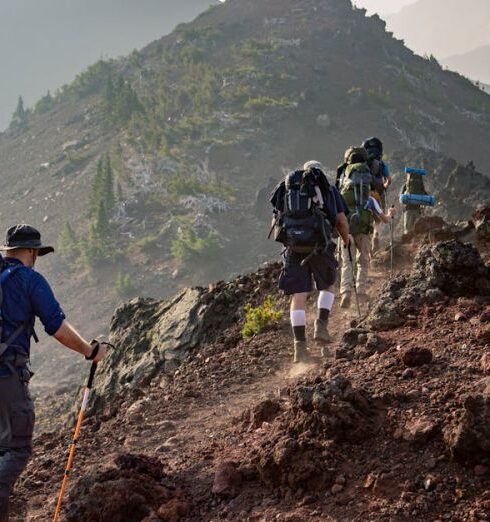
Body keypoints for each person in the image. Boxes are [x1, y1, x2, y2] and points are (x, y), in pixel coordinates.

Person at [0, 224, 107, 521]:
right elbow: (57, 328)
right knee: (17, 450)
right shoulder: (29, 280)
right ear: (33, 252)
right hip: (7, 377)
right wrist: (91, 351)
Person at [271, 161, 350, 363]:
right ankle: (321, 326)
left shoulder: (287, 189)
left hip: (294, 248)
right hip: (320, 245)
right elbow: (341, 220)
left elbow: (276, 219)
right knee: (328, 286)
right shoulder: (328, 190)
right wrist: (346, 240)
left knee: (298, 296)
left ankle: (300, 348)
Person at [339, 147, 396, 309]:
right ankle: (361, 291)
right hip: (364, 231)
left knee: (346, 263)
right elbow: (384, 219)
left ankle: (346, 292)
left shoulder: (342, 195)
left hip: (346, 232)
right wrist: (391, 213)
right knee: (363, 262)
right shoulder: (370, 198)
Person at [362, 137, 393, 253]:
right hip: (378, 193)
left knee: (366, 217)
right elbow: (389, 179)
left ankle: (367, 240)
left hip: (364, 193)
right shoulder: (381, 164)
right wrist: (384, 186)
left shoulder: (362, 163)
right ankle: (376, 235)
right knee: (378, 219)